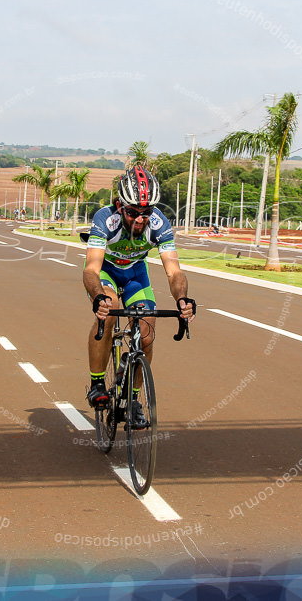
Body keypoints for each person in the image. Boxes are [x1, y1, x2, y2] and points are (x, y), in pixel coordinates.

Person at [83, 166, 196, 423]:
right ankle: (97, 383)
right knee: (109, 308)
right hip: (107, 271)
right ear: (120, 206)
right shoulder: (105, 219)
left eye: (146, 213)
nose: (140, 219)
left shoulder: (159, 223)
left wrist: (182, 299)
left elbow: (174, 271)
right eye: (133, 212)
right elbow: (91, 268)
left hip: (135, 274)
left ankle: (134, 401)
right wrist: (98, 296)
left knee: (146, 331)